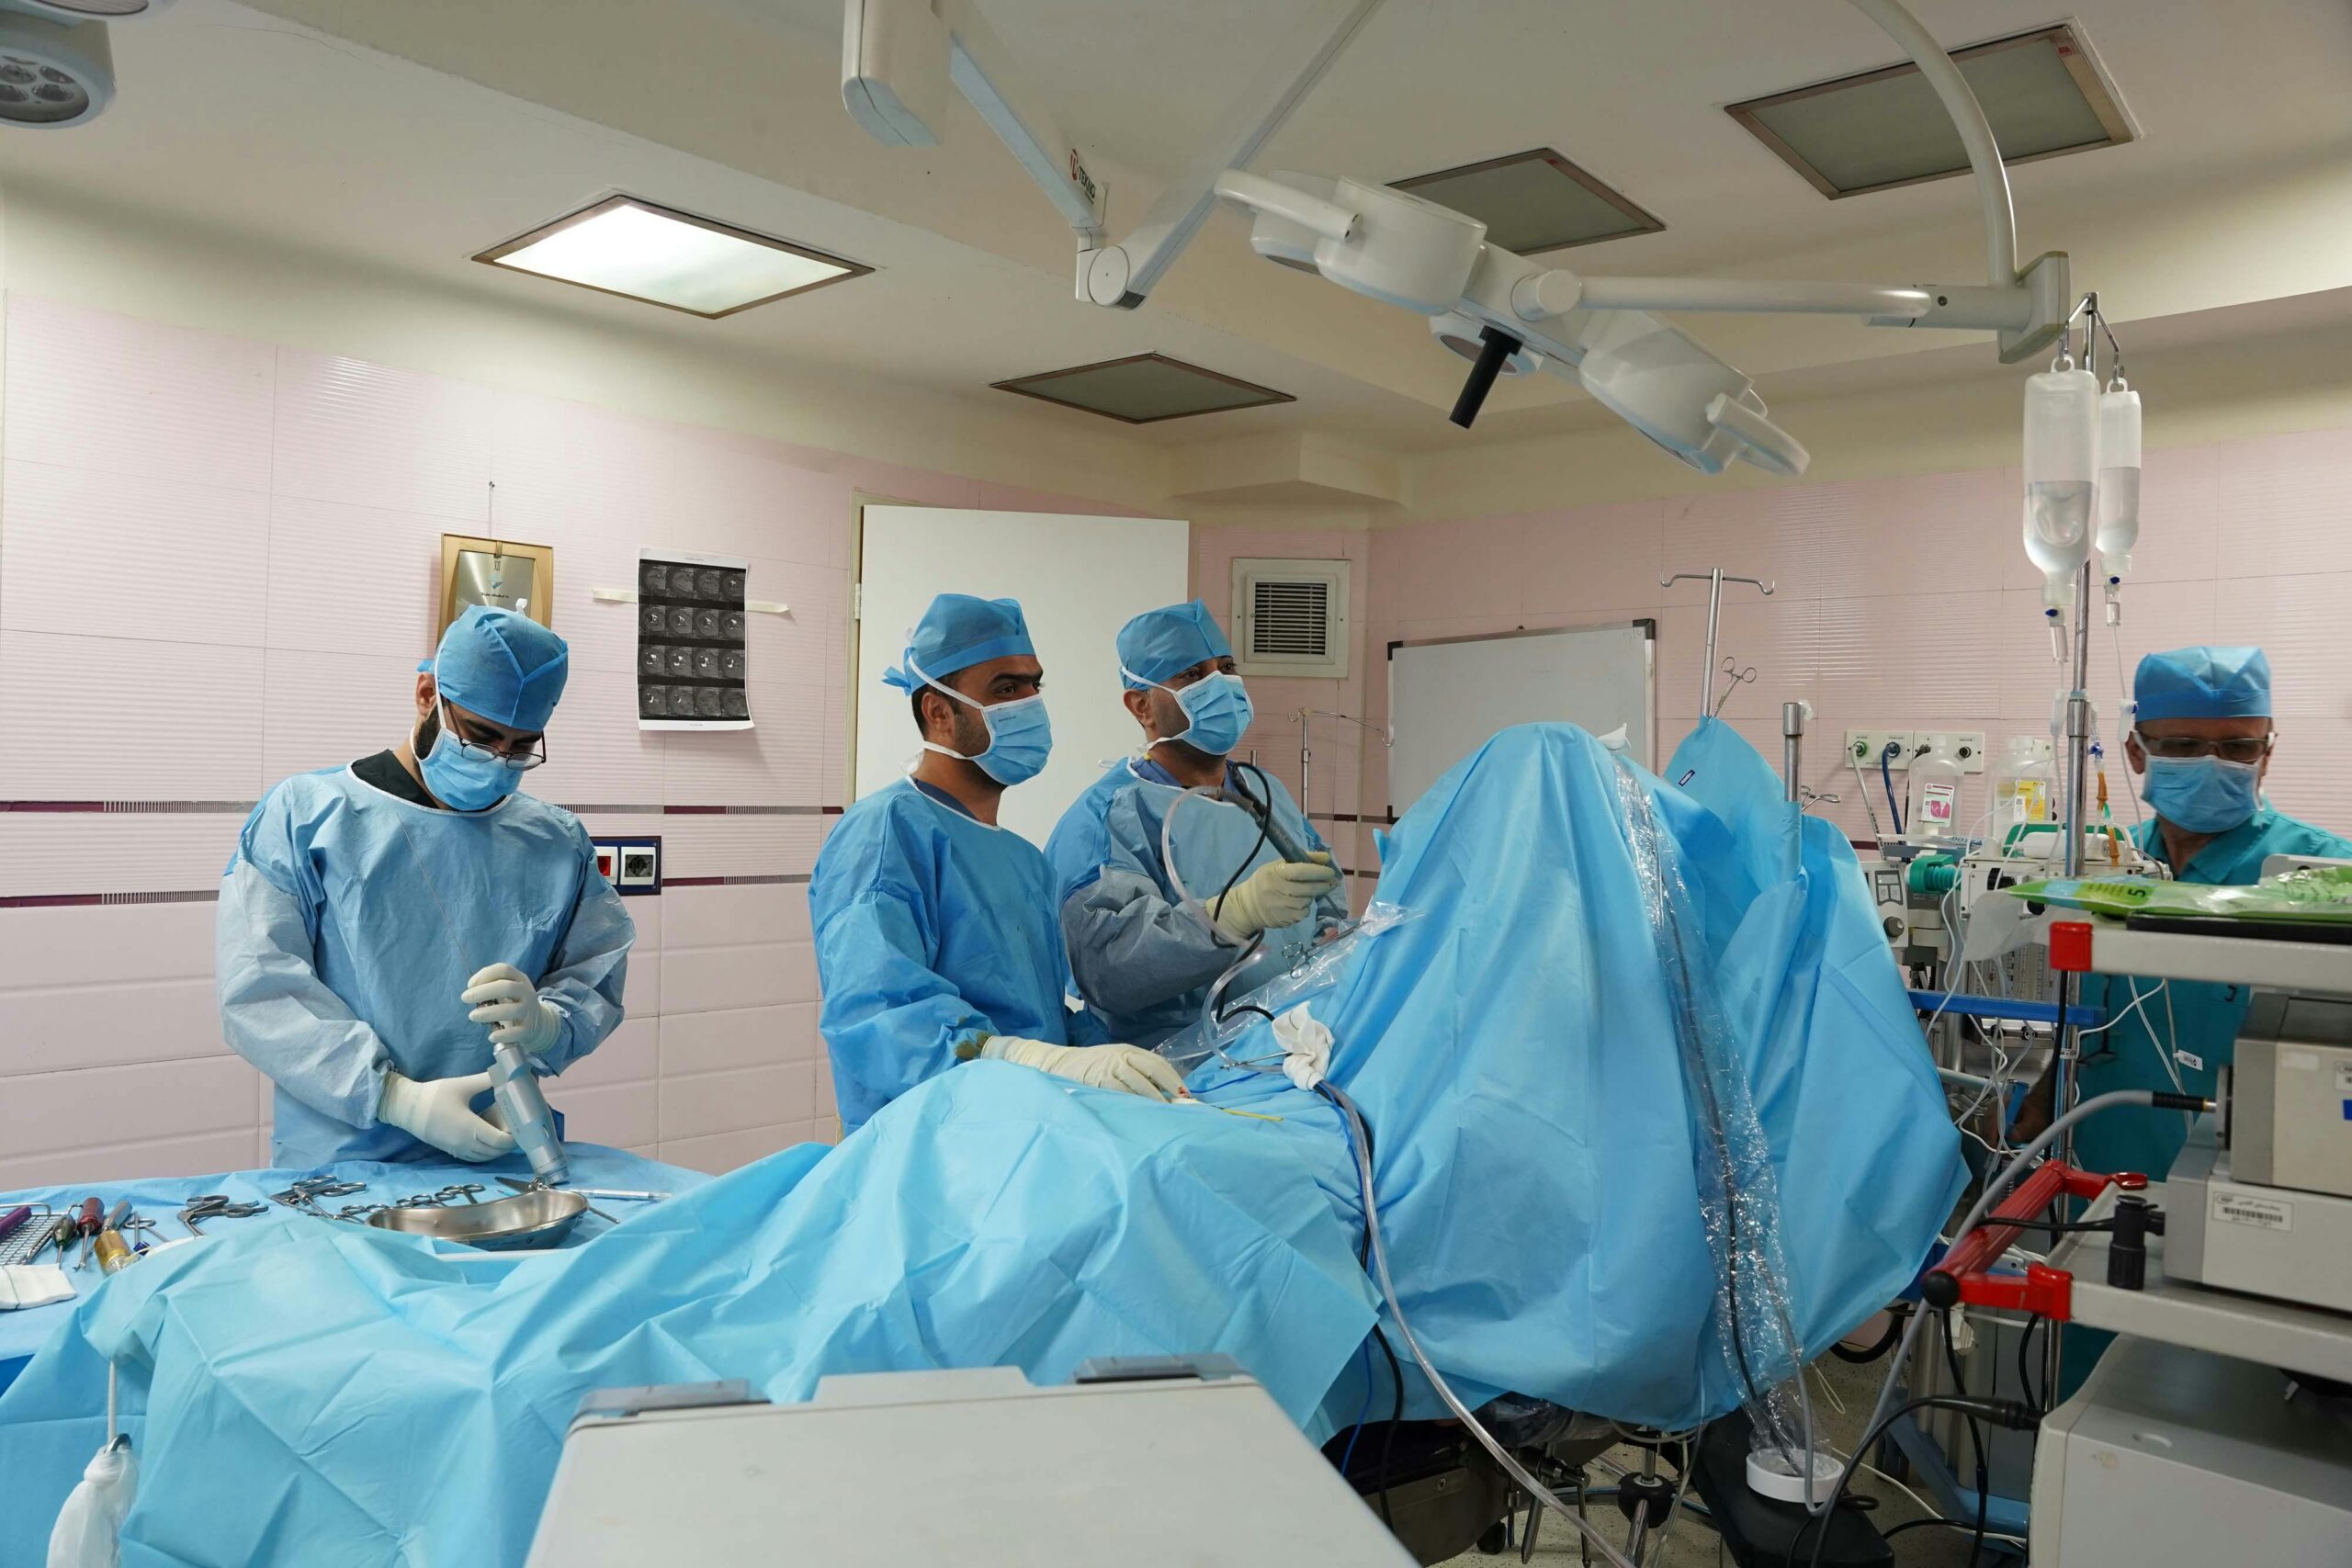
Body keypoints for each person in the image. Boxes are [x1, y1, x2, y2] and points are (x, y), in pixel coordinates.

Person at [217, 606, 633, 1169]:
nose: (497, 761)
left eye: (519, 747)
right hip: (345, 1161)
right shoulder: (306, 817)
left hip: (503, 1145)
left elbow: (593, 973)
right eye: (481, 735)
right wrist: (395, 1096)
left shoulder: (553, 841)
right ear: (426, 694)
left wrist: (548, 1025)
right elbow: (262, 991)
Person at [808, 592, 1184, 1132]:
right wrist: (1032, 1061)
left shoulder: (1023, 861)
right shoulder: (887, 832)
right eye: (1006, 688)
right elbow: (881, 1017)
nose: (1030, 701)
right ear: (938, 711)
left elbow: (1044, 1019)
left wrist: (1116, 1062)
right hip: (929, 1148)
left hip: (1027, 1133)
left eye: (1035, 685)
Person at [2040, 646, 2352, 1180]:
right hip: (2098, 1172)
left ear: (2266, 753)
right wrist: (2043, 1095)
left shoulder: (2323, 877)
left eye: (2237, 746)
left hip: (2257, 1182)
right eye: (2182, 746)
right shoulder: (2107, 865)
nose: (2212, 763)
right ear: (2137, 752)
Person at [1044, 600, 1343, 1045]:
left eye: (1226, 667)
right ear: (1141, 706)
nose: (1220, 685)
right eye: (1192, 676)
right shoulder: (1112, 816)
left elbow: (1323, 893)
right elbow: (1107, 970)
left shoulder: (1264, 792)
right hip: (1177, 1066)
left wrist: (1331, 944)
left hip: (1287, 1044)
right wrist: (1232, 916)